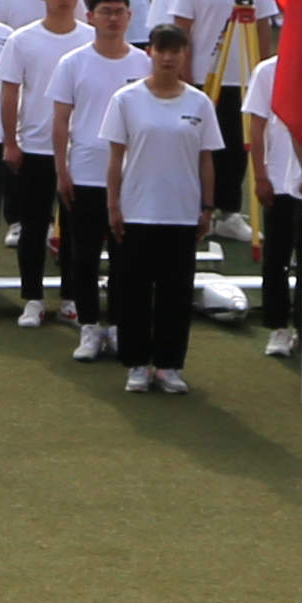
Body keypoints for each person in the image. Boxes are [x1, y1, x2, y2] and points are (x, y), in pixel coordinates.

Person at [98, 23, 225, 395]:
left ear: (185, 54)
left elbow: (206, 160)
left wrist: (207, 207)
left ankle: (169, 366)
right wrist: (113, 205)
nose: (168, 58)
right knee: (134, 292)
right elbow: (115, 157)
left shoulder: (199, 103)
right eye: (162, 50)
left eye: (176, 51)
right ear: (150, 52)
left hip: (182, 214)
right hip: (136, 211)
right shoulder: (126, 99)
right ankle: (137, 364)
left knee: (176, 293)